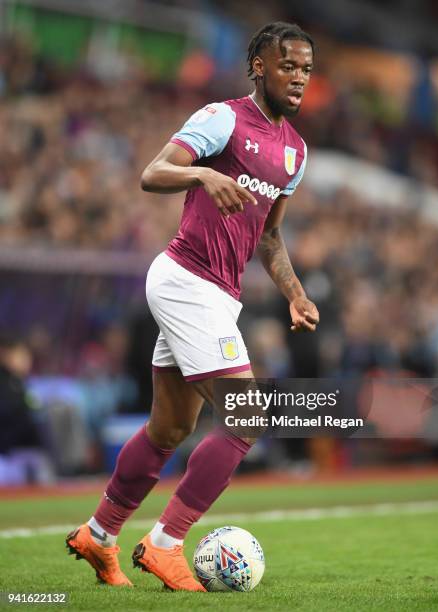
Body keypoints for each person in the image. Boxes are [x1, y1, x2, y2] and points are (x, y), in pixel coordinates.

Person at [66, 21, 319, 591]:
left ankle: (99, 535)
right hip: (186, 280)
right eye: (288, 66)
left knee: (169, 427)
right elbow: (152, 173)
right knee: (248, 416)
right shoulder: (222, 118)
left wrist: (296, 293)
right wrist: (204, 172)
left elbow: (270, 239)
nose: (299, 78)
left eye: (306, 69)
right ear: (259, 66)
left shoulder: (296, 153)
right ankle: (166, 542)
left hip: (218, 297)